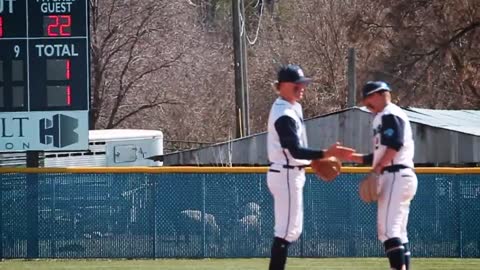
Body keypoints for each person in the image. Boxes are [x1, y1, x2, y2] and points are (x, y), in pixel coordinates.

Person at [266, 64, 354, 270]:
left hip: (291, 173)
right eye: (297, 84)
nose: (302, 87)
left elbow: (296, 151)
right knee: (285, 232)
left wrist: (312, 160)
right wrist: (325, 154)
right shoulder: (284, 113)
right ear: (283, 86)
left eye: (303, 84)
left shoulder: (292, 107)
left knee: (291, 231)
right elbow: (295, 151)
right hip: (286, 174)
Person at [349, 81, 418, 270]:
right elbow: (381, 153)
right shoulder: (386, 115)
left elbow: (394, 145)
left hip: (395, 175)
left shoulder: (389, 114)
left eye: (368, 100)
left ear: (379, 94)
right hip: (399, 174)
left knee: (387, 231)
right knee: (399, 233)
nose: (367, 105)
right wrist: (353, 157)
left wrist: (376, 169)